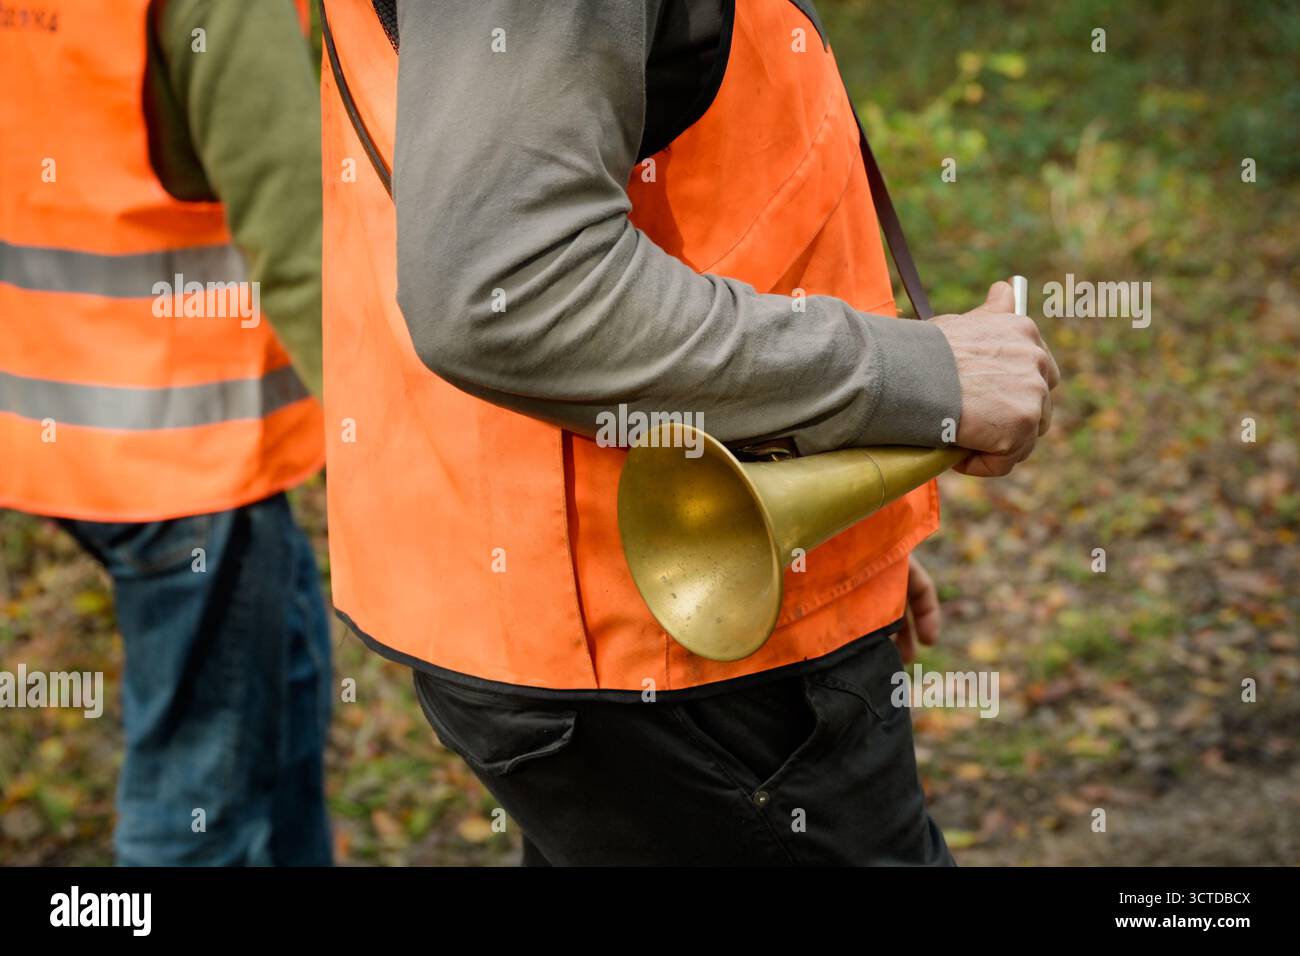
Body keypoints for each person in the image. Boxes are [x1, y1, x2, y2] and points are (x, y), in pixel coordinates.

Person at [319, 0, 1059, 864]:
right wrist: (918, 379)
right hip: (660, 638)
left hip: (663, 592)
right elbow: (512, 294)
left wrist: (833, 496)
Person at [0, 0, 332, 865]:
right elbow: (299, 240)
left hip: (48, 411)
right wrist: (401, 446)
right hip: (182, 444)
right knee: (197, 808)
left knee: (282, 702)